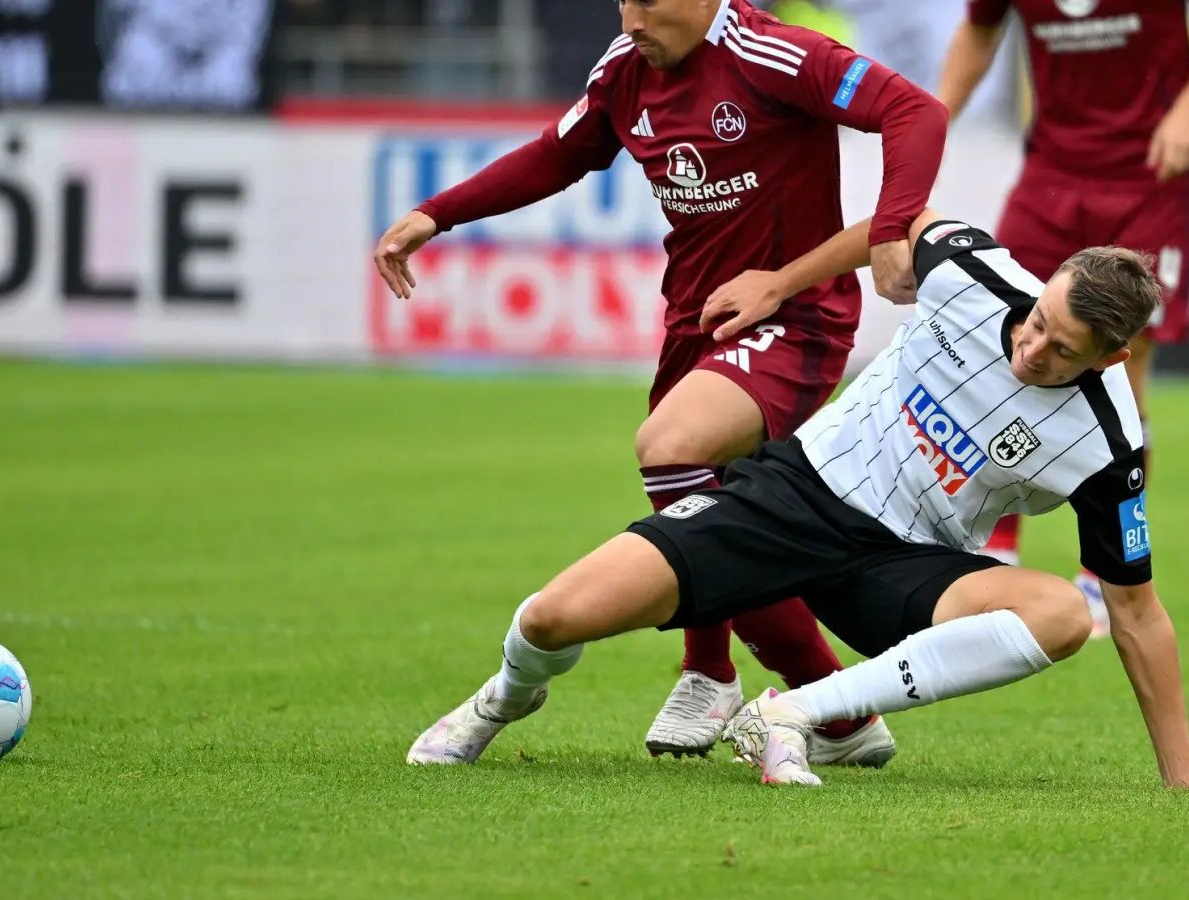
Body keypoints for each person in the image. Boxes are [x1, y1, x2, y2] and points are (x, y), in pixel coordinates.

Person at [406, 205, 1189, 794]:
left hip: (904, 567)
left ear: (1114, 356)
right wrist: (779, 283)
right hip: (794, 494)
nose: (1032, 347)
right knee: (554, 617)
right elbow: (894, 224)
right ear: (1045, 281)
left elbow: (1135, 612)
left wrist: (1183, 779)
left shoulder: (1109, 442)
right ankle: (501, 700)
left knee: (1061, 615)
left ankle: (795, 715)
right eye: (1039, 320)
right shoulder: (978, 272)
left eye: (1062, 351)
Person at [375, 0, 948, 762]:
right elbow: (557, 154)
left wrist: (887, 231)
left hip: (794, 319)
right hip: (695, 325)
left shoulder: (770, 54)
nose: (634, 15)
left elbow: (915, 109)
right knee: (712, 501)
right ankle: (831, 714)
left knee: (672, 447)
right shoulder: (624, 70)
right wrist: (434, 215)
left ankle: (728, 673)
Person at [937, 0, 1189, 634]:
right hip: (1053, 169)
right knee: (1011, 344)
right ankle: (994, 550)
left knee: (1125, 370)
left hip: (1149, 174)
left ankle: (1104, 576)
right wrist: (933, 118)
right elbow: (980, 26)